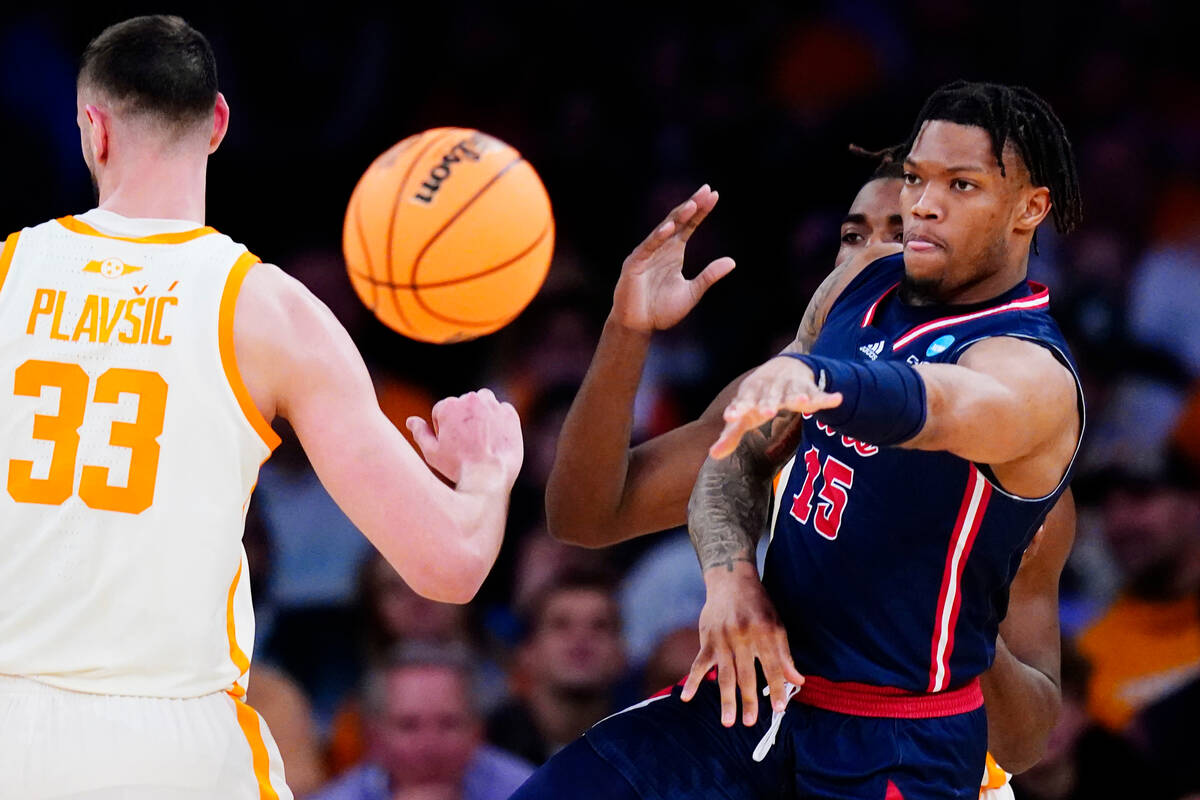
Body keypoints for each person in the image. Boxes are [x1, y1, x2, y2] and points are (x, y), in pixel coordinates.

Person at [0, 16, 522, 800]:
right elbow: (448, 569)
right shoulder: (272, 312)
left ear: (91, 129)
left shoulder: (8, 273)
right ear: (216, 125)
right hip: (172, 742)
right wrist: (486, 473)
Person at [522, 80, 1083, 799]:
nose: (919, 208)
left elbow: (949, 400)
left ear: (1030, 207)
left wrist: (964, 629)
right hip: (763, 705)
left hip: (904, 744)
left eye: (960, 185)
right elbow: (611, 505)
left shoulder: (1029, 370)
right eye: (912, 182)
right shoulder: (851, 300)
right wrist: (730, 575)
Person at [310, 644, 533, 800]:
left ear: (478, 732)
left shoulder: (530, 789)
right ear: (374, 738)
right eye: (409, 725)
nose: (429, 746)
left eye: (448, 724)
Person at [486, 569, 627, 765]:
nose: (581, 638)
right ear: (527, 653)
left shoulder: (645, 747)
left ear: (621, 653)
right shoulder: (485, 745)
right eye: (561, 624)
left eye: (599, 625)